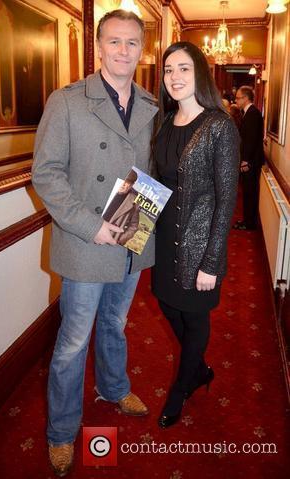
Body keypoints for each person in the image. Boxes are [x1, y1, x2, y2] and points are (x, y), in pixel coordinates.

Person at [32, 9, 158, 476]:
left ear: (142, 49)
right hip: (86, 239)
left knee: (116, 322)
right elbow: (46, 174)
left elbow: (152, 170)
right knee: (72, 340)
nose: (123, 51)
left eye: (131, 43)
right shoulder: (66, 101)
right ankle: (62, 432)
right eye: (114, 42)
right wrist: (91, 225)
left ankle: (113, 385)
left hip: (131, 234)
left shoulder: (151, 103)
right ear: (98, 46)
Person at [151, 41, 240, 429]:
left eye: (183, 68)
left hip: (200, 243)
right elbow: (154, 185)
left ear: (199, 74)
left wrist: (212, 262)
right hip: (164, 239)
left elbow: (226, 201)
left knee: (195, 315)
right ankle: (200, 368)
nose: (175, 77)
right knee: (169, 307)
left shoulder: (219, 125)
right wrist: (127, 229)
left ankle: (180, 389)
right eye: (169, 70)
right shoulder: (164, 123)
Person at [233, 85, 264, 230]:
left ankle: (249, 223)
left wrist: (245, 160)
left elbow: (250, 140)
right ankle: (247, 221)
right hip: (249, 161)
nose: (236, 101)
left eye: (238, 98)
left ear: (246, 98)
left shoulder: (252, 113)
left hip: (250, 162)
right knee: (247, 192)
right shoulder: (249, 112)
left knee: (250, 193)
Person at [103, 169, 139, 246]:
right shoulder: (108, 185)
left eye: (127, 182)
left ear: (132, 185)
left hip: (110, 240)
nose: (123, 184)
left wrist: (120, 239)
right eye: (123, 180)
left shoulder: (133, 201)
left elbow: (134, 226)